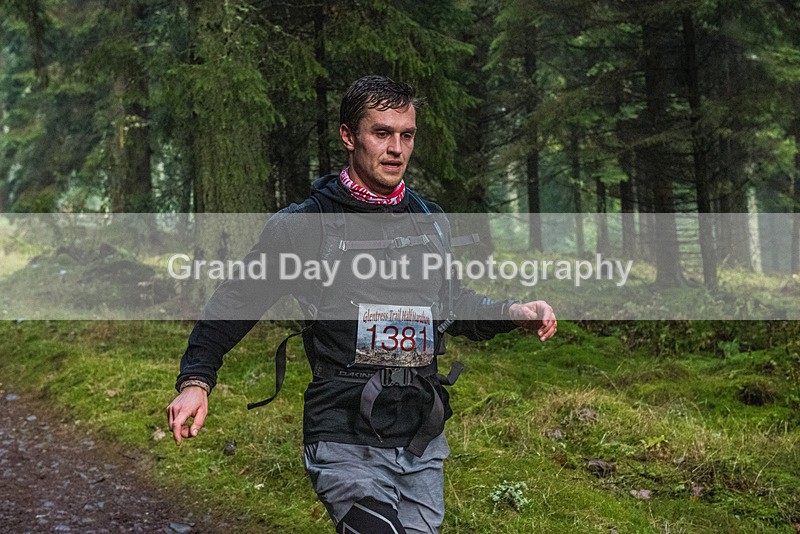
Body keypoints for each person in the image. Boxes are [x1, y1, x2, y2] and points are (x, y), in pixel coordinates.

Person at [166, 75, 557, 534]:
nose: (396, 148)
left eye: (406, 135)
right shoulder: (304, 226)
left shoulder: (430, 221)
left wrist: (513, 313)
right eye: (382, 133)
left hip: (419, 433)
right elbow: (237, 300)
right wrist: (197, 379)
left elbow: (450, 304)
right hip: (343, 429)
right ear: (349, 137)